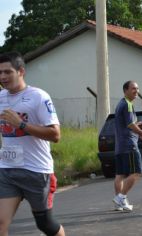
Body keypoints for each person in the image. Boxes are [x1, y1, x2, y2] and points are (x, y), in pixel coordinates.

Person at [0, 52, 65, 236]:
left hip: (36, 171)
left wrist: (21, 124)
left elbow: (55, 134)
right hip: (7, 169)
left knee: (46, 224)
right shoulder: (1, 97)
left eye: (7, 72)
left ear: (21, 71)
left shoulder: (38, 96)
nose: (3, 77)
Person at [112, 81, 142, 212]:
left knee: (120, 174)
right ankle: (121, 197)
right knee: (138, 171)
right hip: (129, 145)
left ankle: (119, 203)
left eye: (137, 89)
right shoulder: (128, 104)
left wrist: (137, 124)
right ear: (125, 91)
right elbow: (130, 125)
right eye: (133, 89)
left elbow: (128, 123)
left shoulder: (121, 104)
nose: (136, 91)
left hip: (120, 145)